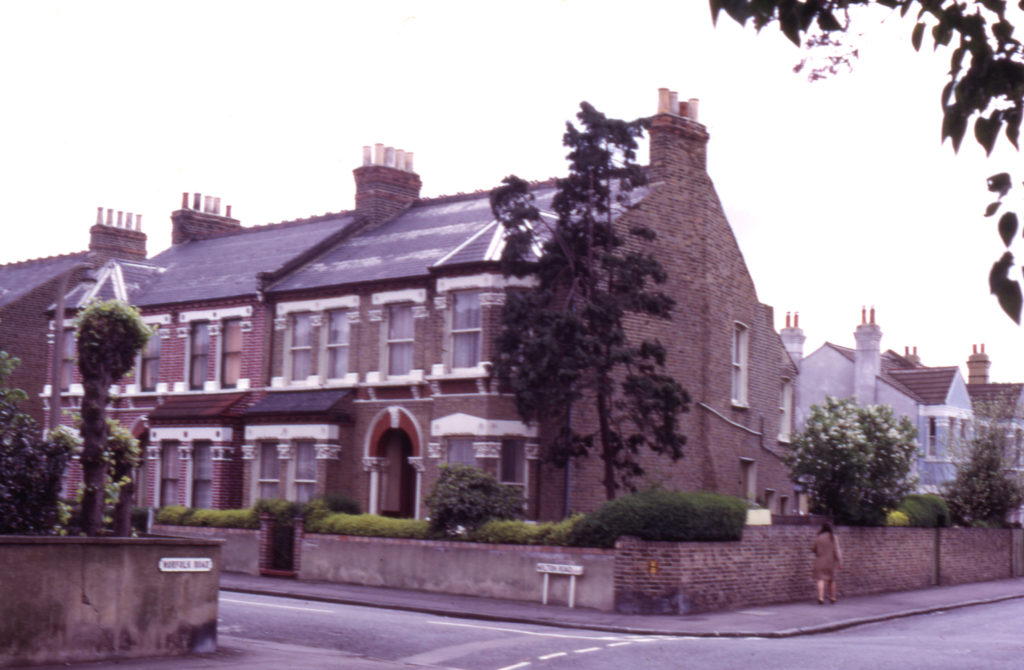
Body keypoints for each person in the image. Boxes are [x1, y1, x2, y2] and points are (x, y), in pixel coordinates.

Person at [811, 522, 841, 604]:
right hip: (831, 562)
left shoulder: (818, 537)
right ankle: (833, 597)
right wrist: (840, 562)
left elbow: (813, 549)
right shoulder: (833, 537)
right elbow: (837, 551)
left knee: (820, 579)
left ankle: (820, 597)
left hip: (820, 561)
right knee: (832, 580)